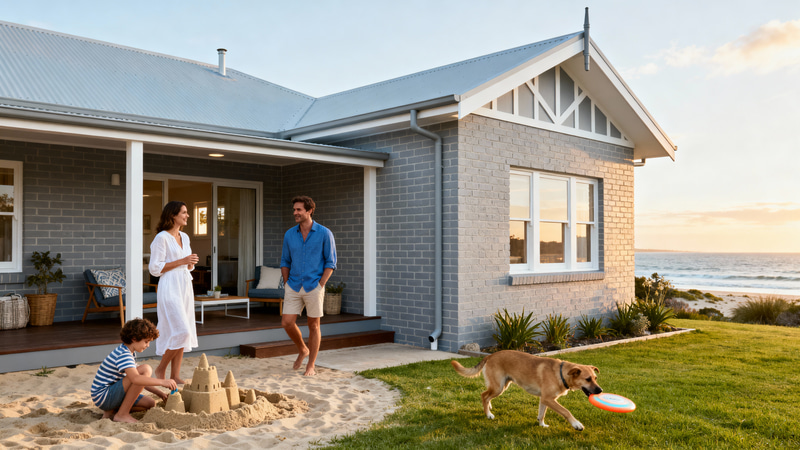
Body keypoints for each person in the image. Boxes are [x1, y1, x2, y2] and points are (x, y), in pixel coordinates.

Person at [281, 195, 337, 376]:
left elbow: (331, 262)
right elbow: (285, 261)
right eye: (294, 209)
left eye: (298, 210)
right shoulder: (289, 234)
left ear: (309, 210)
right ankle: (303, 349)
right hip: (294, 285)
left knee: (314, 326)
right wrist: (287, 282)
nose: (295, 213)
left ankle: (311, 365)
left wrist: (321, 284)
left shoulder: (324, 233)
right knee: (287, 322)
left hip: (314, 285)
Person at [149, 201, 199, 384]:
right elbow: (155, 269)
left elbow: (186, 264)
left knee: (182, 331)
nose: (187, 216)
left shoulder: (185, 237)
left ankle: (175, 375)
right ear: (173, 215)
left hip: (185, 286)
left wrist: (190, 263)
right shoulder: (161, 238)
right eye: (184, 212)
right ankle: (161, 368)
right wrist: (182, 261)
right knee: (181, 330)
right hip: (169, 286)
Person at [90, 318, 178, 423]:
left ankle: (113, 411)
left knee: (150, 403)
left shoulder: (129, 352)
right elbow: (136, 379)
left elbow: (141, 381)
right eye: (146, 341)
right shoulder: (123, 354)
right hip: (104, 396)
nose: (148, 345)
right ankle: (122, 414)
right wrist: (162, 382)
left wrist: (159, 393)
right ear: (134, 339)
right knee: (145, 369)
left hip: (110, 395)